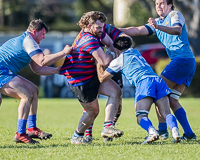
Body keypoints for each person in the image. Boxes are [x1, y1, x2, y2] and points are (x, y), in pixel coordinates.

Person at [120, 0, 196, 140]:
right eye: (157, 4)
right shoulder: (157, 23)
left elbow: (177, 29)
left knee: (157, 91)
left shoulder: (175, 15)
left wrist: (158, 26)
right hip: (186, 63)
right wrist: (115, 30)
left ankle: (162, 131)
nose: (159, 6)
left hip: (182, 61)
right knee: (172, 100)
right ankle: (189, 134)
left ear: (169, 5)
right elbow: (137, 30)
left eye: (162, 3)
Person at [97, 36, 181, 144]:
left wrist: (99, 62)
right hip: (157, 80)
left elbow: (102, 78)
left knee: (141, 116)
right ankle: (175, 132)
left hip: (144, 82)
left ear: (117, 49)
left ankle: (152, 132)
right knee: (166, 112)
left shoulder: (119, 60)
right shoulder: (136, 52)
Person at [0, 19, 72, 144]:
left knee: (33, 90)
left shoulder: (28, 41)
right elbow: (42, 61)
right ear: (34, 32)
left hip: (5, 71)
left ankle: (32, 128)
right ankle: (20, 133)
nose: (44, 37)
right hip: (2, 71)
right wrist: (63, 52)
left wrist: (57, 70)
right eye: (43, 34)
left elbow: (37, 68)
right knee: (26, 95)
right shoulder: (28, 41)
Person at [60, 11, 123, 144]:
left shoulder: (97, 33)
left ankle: (107, 128)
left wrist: (113, 50)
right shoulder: (88, 39)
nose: (101, 30)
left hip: (91, 75)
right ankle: (77, 136)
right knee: (93, 111)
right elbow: (105, 60)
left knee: (116, 91)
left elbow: (110, 43)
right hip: (80, 81)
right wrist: (113, 54)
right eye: (98, 27)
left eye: (102, 27)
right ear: (88, 26)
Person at [84, 23, 126, 143]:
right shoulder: (87, 35)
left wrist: (116, 47)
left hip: (113, 67)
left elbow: (126, 37)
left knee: (118, 103)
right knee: (91, 104)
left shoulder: (109, 29)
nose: (99, 27)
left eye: (101, 24)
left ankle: (109, 130)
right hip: (93, 70)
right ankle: (88, 134)